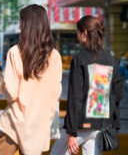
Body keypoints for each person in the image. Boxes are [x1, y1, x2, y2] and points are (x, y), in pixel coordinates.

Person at [0, 4, 62, 155]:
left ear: (26, 24)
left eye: (21, 21)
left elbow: (12, 92)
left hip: (15, 124)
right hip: (38, 126)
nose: (20, 25)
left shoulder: (15, 52)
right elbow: (55, 93)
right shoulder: (55, 56)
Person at [51, 15, 123, 155]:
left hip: (80, 127)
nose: (77, 36)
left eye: (78, 32)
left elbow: (75, 97)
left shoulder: (79, 60)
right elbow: (118, 93)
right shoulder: (110, 60)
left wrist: (71, 133)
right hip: (100, 126)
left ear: (84, 33)